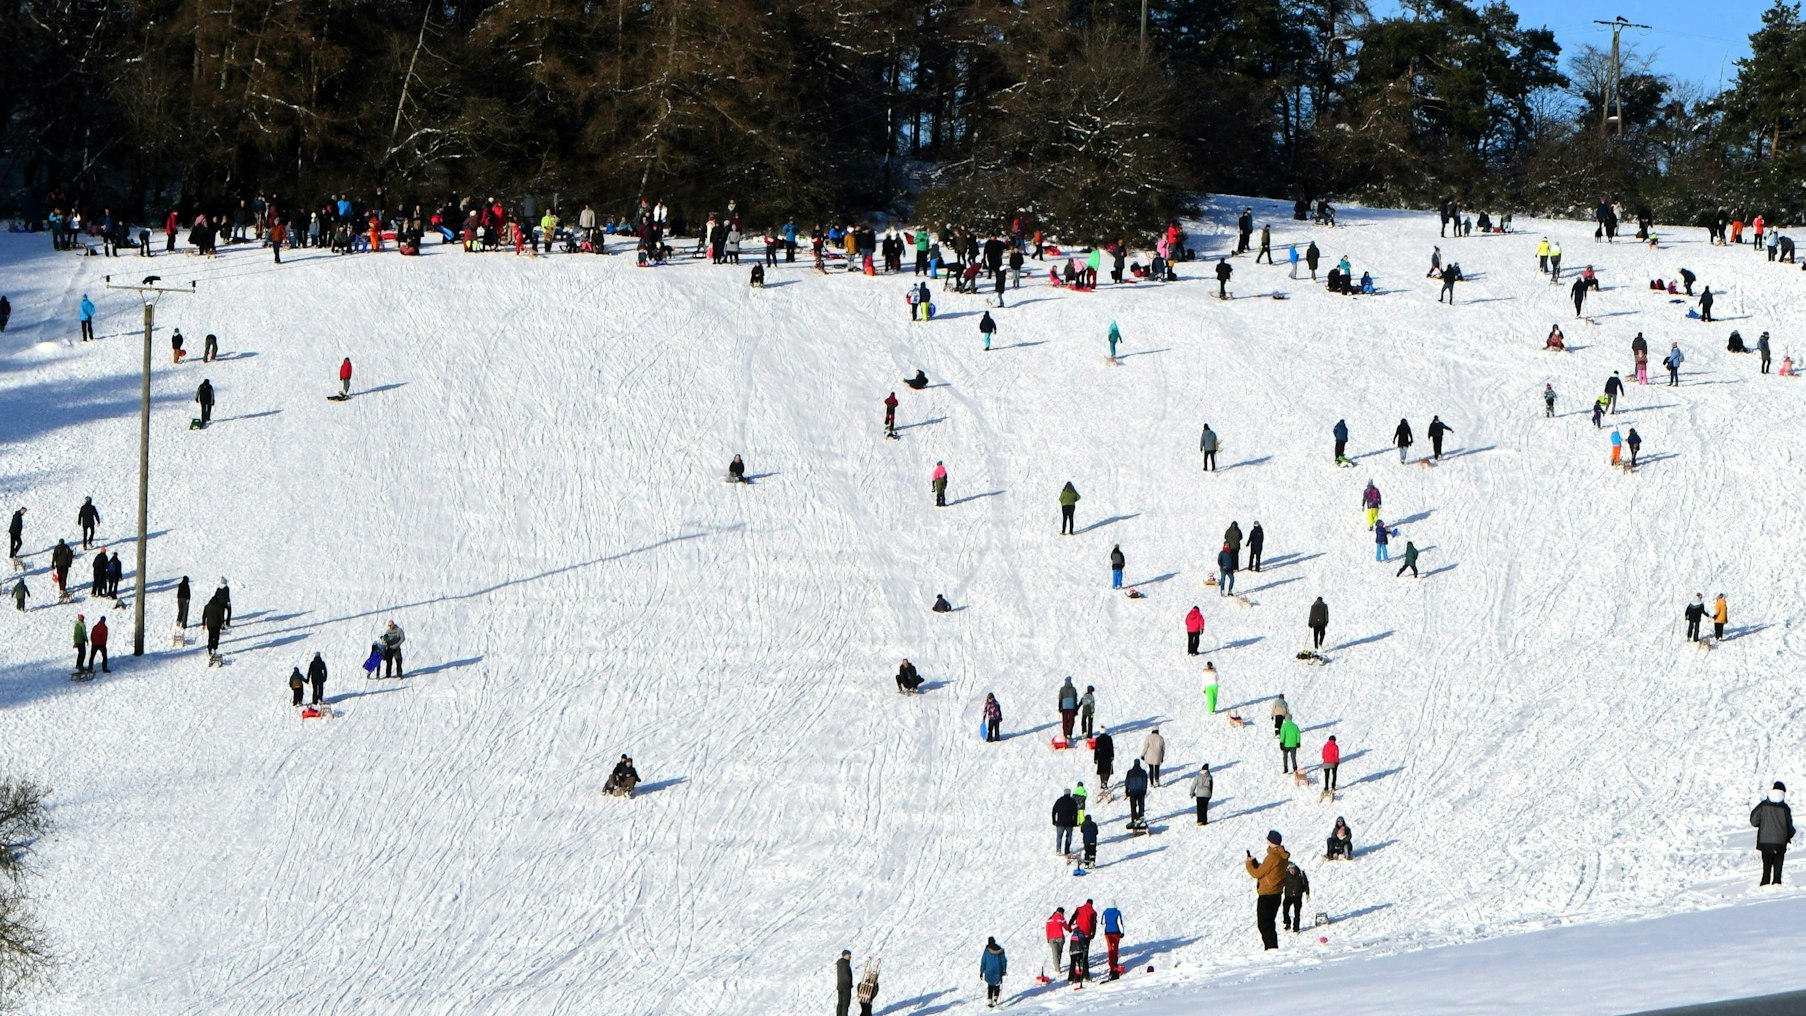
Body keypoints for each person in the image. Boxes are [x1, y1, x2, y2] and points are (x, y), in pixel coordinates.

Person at [1246, 831, 1289, 950]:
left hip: (1267, 894)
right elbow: (1269, 871)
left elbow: (1257, 873)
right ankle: (1272, 947)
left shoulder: (1273, 856)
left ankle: (1271, 949)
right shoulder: (1281, 855)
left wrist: (1249, 864)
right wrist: (1257, 864)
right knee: (1269, 923)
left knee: (1264, 924)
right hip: (1276, 894)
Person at [1753, 782, 1795, 886]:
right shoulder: (1785, 808)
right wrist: (1790, 834)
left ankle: (1764, 885)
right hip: (1780, 842)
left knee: (1766, 867)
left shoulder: (1763, 805)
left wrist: (1763, 825)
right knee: (1778, 868)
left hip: (1765, 841)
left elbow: (1753, 821)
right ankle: (1776, 885)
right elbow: (1789, 826)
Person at [1282, 862, 1311, 933]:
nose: (1292, 870)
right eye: (1290, 869)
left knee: (1297, 912)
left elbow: (1306, 883)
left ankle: (1296, 928)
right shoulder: (1285, 875)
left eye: (1293, 869)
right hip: (1288, 895)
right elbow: (1281, 883)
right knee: (1285, 910)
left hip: (1297, 896)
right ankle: (1287, 923)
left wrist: (1307, 893)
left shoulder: (1300, 874)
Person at [979, 937, 1008, 1008]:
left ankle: (990, 1000)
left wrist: (981, 972)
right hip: (998, 970)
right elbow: (1003, 961)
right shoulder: (1000, 950)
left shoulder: (987, 950)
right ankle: (995, 998)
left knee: (990, 985)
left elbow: (983, 961)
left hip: (989, 971)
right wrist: (1004, 970)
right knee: (997, 984)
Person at [1100, 902, 1125, 979]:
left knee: (1110, 948)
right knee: (1115, 948)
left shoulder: (1105, 912)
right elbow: (1119, 923)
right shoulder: (1117, 912)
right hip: (1116, 932)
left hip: (1107, 932)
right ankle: (1115, 963)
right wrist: (1122, 932)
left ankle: (1111, 964)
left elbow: (1102, 922)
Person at [1052, 789, 1078, 856]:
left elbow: (1054, 811)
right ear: (1070, 793)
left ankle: (1058, 850)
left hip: (1060, 823)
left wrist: (1054, 820)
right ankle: (1067, 850)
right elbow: (1075, 813)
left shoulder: (1059, 801)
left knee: (1059, 837)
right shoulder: (1073, 801)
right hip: (1069, 822)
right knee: (1068, 836)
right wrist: (1075, 822)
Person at [1123, 760, 1148, 827]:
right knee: (1141, 805)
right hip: (1140, 791)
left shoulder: (1130, 772)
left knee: (1133, 806)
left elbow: (1127, 782)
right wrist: (1144, 789)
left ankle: (1133, 818)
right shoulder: (1143, 772)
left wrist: (1127, 791)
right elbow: (1145, 782)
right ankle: (1141, 818)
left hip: (1132, 792)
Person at [1045, 907, 1068, 975]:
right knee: (1059, 952)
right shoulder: (1061, 918)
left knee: (1054, 953)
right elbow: (1066, 926)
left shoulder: (1049, 919)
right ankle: (1058, 965)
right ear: (1061, 912)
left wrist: (1048, 939)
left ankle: (1057, 968)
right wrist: (1071, 930)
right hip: (1060, 937)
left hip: (1051, 938)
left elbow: (1047, 929)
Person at [1093, 727, 1115, 791]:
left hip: (1100, 757)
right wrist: (1112, 756)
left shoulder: (1098, 739)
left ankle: (1102, 782)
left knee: (1101, 771)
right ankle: (1105, 782)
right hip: (1108, 757)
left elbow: (1096, 749)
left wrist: (1095, 758)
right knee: (1108, 770)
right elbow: (1111, 748)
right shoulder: (1109, 738)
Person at [836, 950, 854, 1016]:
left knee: (840, 1003)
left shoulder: (840, 963)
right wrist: (849, 983)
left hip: (840, 985)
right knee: (845, 1004)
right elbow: (846, 975)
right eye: (848, 955)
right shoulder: (845, 964)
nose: (850, 956)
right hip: (845, 986)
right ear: (844, 955)